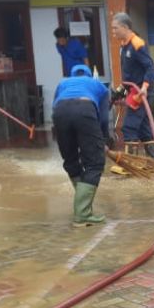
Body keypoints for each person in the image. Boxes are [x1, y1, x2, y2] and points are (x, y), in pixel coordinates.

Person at [52, 64, 113, 226]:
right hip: (85, 110)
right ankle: (82, 213)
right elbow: (104, 118)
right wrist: (103, 141)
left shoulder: (63, 83)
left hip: (60, 113)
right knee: (94, 163)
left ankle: (83, 207)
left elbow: (54, 107)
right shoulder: (98, 85)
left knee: (71, 160)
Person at [111, 12, 154, 159]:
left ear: (125, 27)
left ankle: (131, 162)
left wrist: (144, 87)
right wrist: (120, 90)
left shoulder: (137, 44)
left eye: (115, 28)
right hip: (131, 89)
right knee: (144, 129)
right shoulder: (124, 46)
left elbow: (150, 67)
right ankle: (153, 161)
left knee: (129, 126)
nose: (113, 32)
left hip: (140, 93)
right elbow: (129, 73)